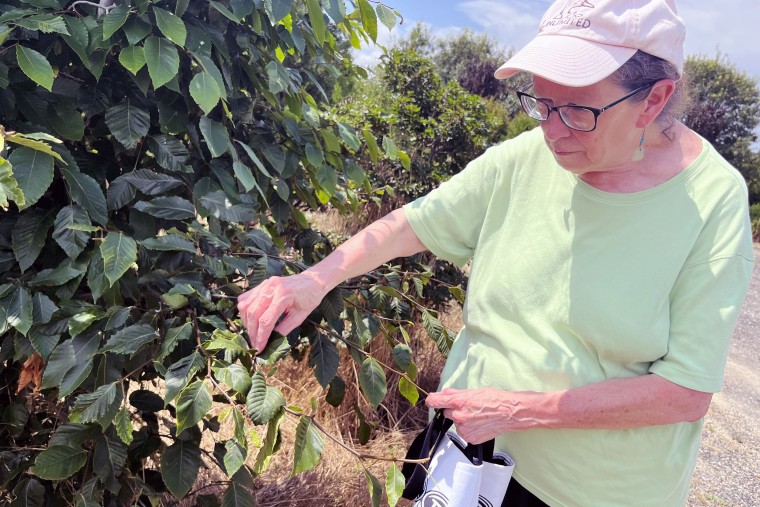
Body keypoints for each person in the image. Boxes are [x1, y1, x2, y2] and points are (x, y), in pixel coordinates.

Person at [237, 0, 755, 505]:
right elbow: (414, 223)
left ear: (655, 99)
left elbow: (684, 392)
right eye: (541, 102)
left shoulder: (712, 200)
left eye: (577, 110)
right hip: (468, 458)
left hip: (591, 490)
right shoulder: (527, 157)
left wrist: (519, 409)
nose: (551, 130)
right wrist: (315, 279)